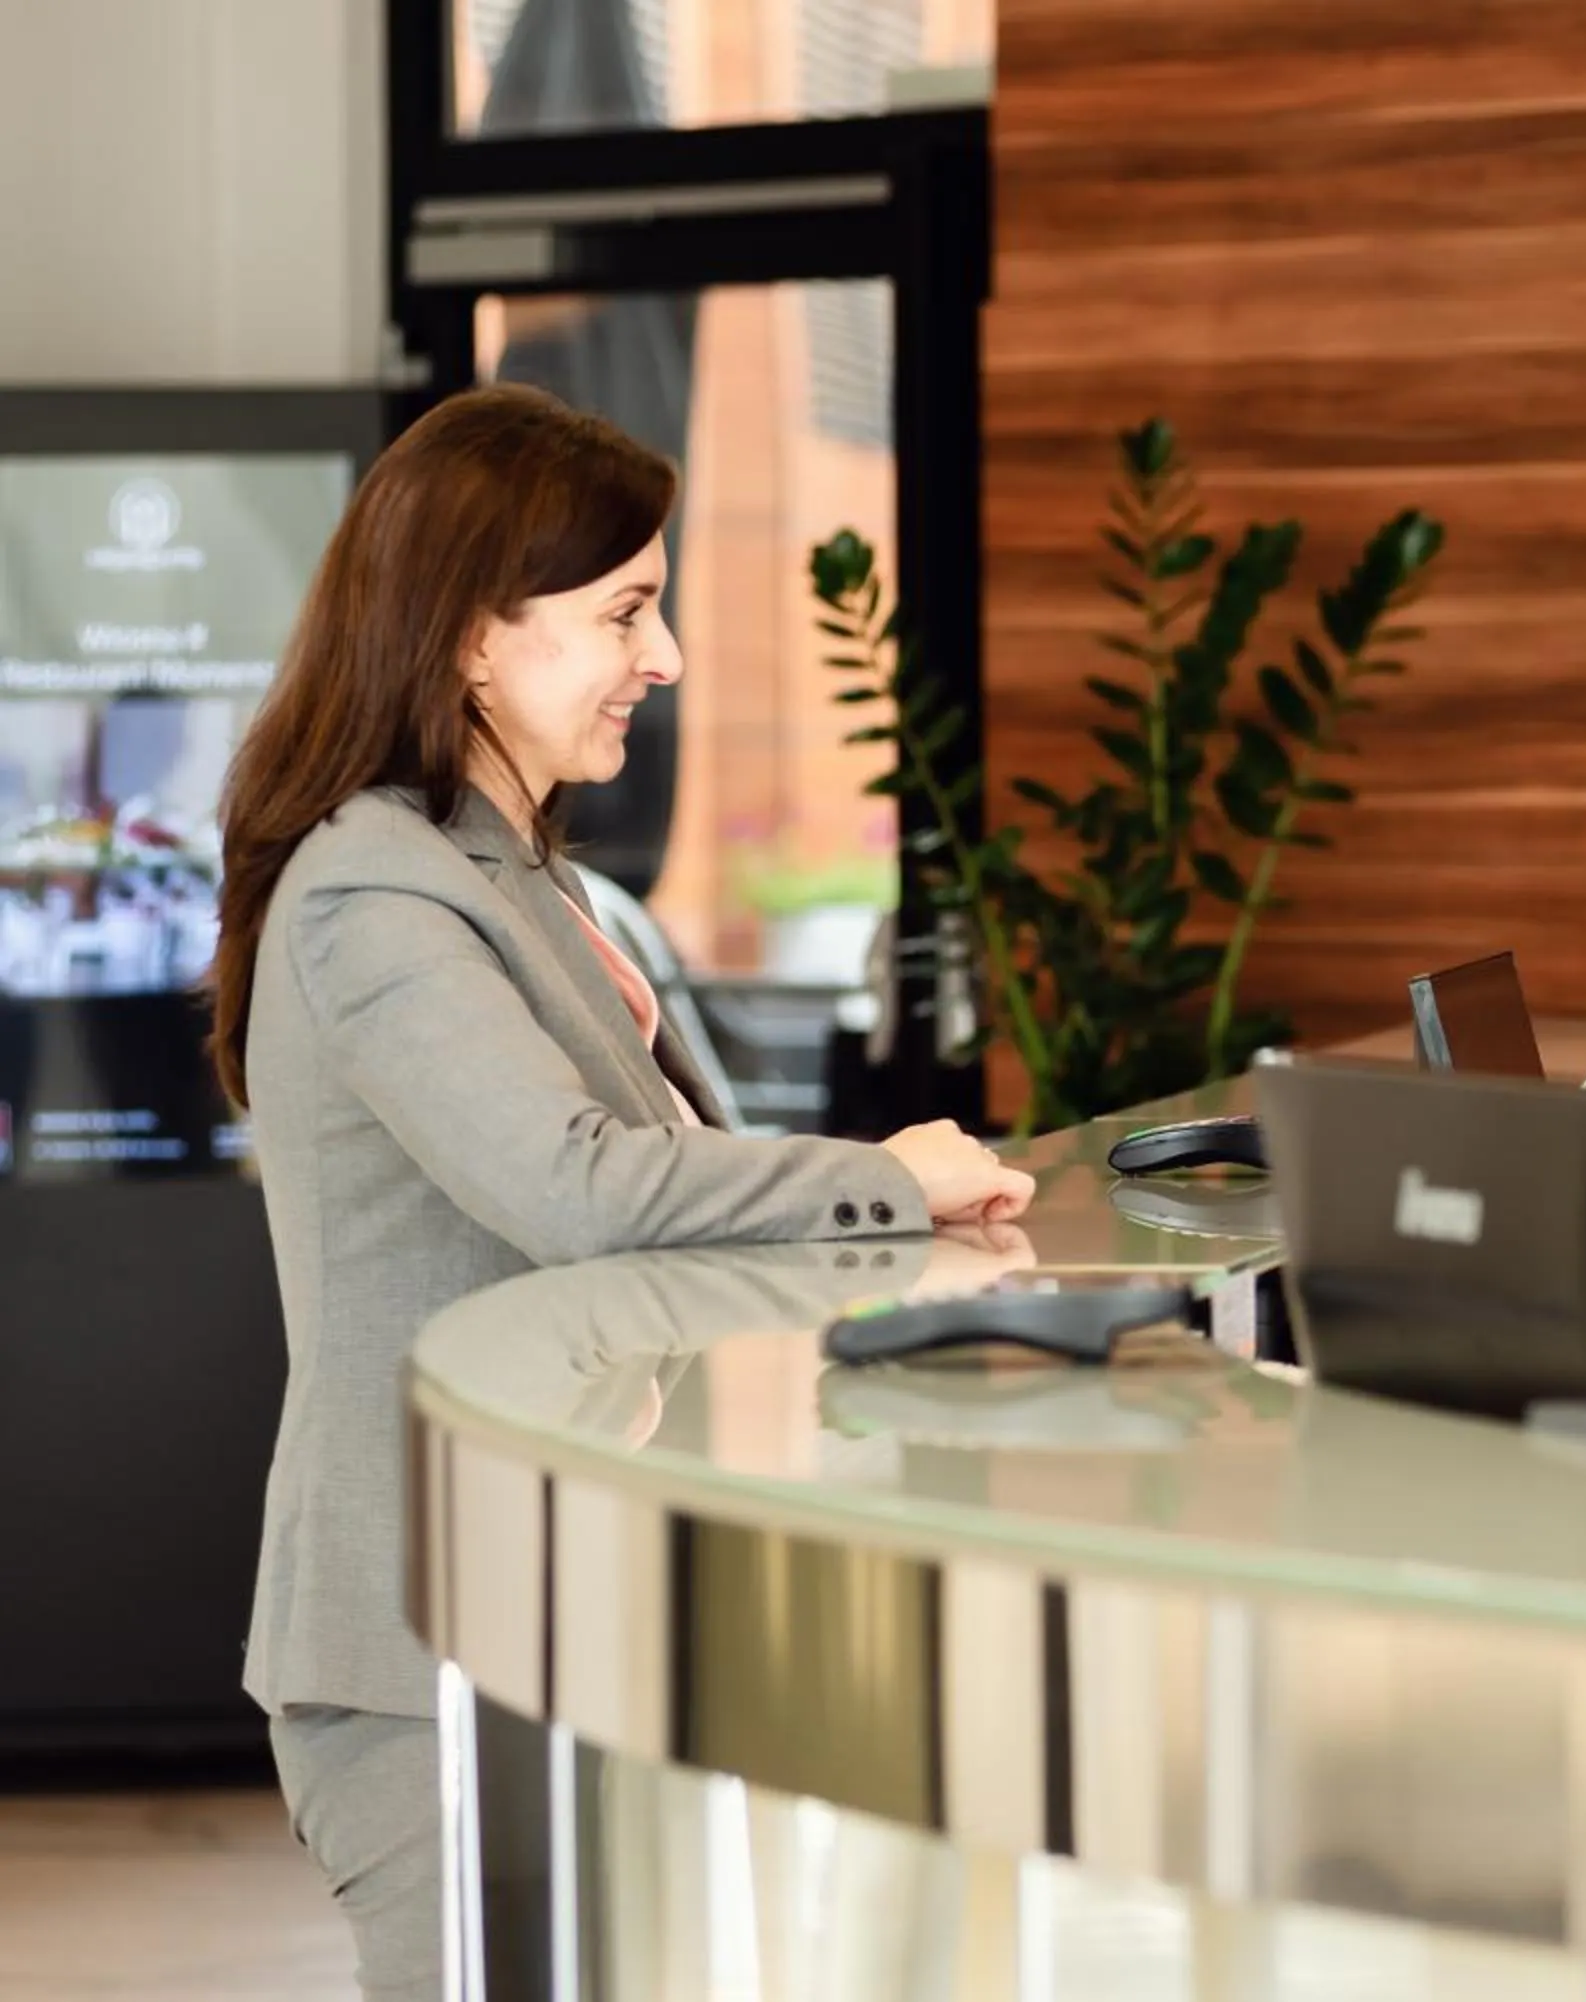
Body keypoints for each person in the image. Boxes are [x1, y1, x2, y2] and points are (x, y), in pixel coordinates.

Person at [210, 383, 1035, 2002]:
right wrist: (890, 1181)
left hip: (562, 1596)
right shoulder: (376, 886)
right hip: (424, 1636)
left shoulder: (524, 877)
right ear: (468, 637)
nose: (661, 660)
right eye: (625, 614)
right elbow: (579, 1184)